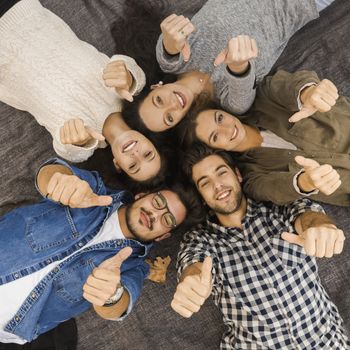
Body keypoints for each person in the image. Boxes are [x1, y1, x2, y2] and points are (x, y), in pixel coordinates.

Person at [0, 158, 200, 344]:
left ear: (162, 236)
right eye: (158, 202)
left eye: (167, 220)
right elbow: (49, 173)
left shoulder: (133, 268)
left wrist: (110, 295)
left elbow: (117, 308)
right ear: (142, 195)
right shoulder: (94, 191)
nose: (155, 214)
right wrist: (61, 182)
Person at [171, 143, 348, 349]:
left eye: (222, 173)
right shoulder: (200, 240)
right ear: (201, 197)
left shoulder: (278, 207)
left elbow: (307, 215)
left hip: (326, 342)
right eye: (205, 183)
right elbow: (192, 264)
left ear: (237, 174)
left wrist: (320, 226)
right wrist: (192, 280)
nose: (218, 185)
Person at [0, 0, 168, 184]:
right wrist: (127, 77)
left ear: (118, 165)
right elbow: (132, 70)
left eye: (133, 166)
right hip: (23, 12)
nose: (136, 155)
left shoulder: (84, 144)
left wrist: (79, 142)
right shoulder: (128, 90)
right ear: (150, 139)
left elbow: (69, 150)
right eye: (148, 154)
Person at [121, 0, 325, 133]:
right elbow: (242, 90)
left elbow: (168, 48)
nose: (172, 104)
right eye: (169, 117)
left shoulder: (170, 62)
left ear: (156, 87)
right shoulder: (229, 102)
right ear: (180, 122)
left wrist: (171, 37)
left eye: (159, 100)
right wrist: (238, 66)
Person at [178, 69, 350, 206]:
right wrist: (305, 181)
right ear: (215, 150)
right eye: (215, 136)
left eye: (220, 118)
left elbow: (289, 86)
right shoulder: (251, 177)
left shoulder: (264, 97)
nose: (227, 129)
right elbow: (275, 189)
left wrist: (308, 93)